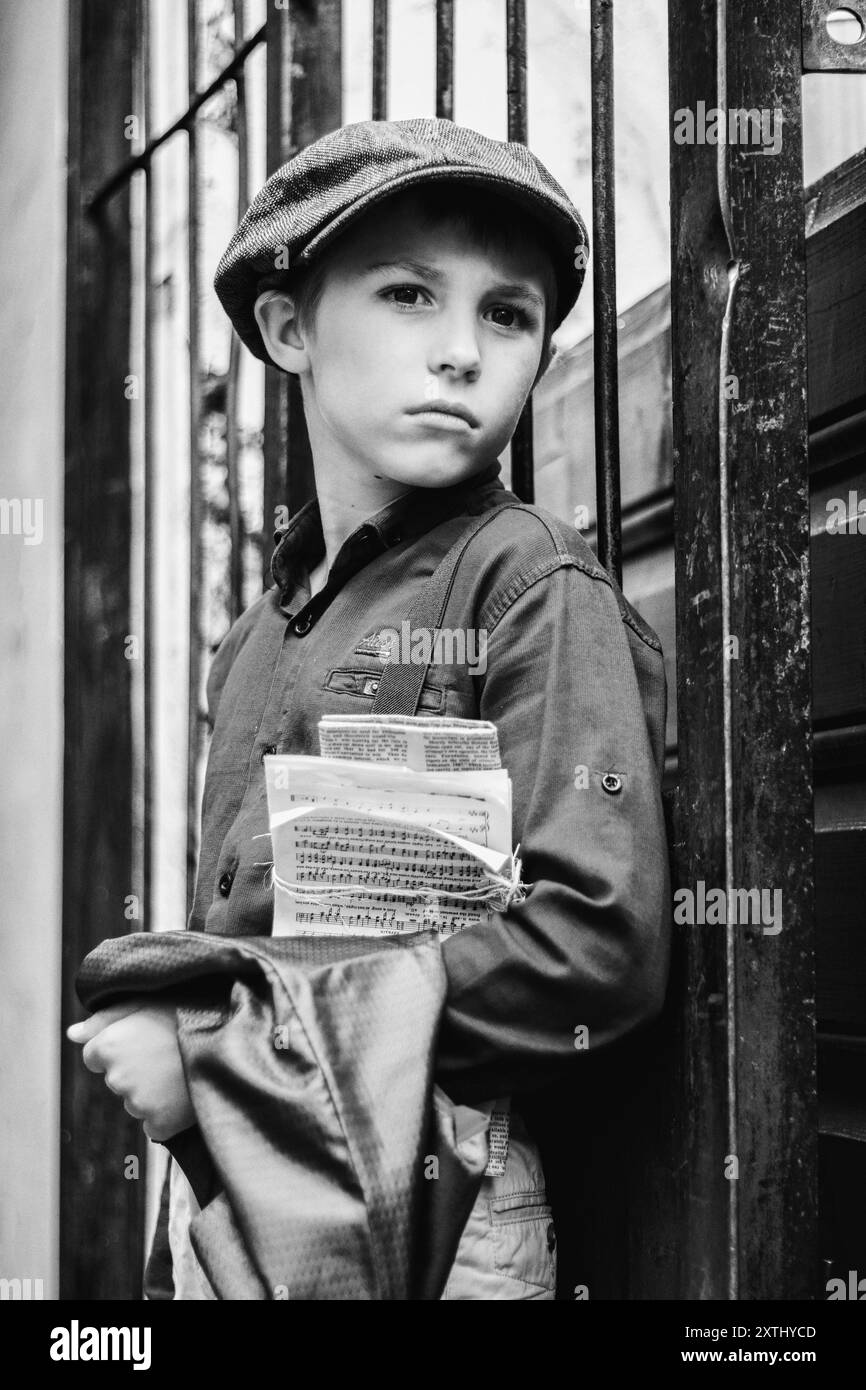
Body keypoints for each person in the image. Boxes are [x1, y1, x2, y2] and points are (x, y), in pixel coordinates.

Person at [68, 117, 671, 1300]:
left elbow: (594, 948)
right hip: (240, 1197)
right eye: (408, 294)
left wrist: (220, 1050)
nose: (461, 351)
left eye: (506, 314)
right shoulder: (255, 637)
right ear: (287, 327)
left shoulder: (528, 580)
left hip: (434, 1214)